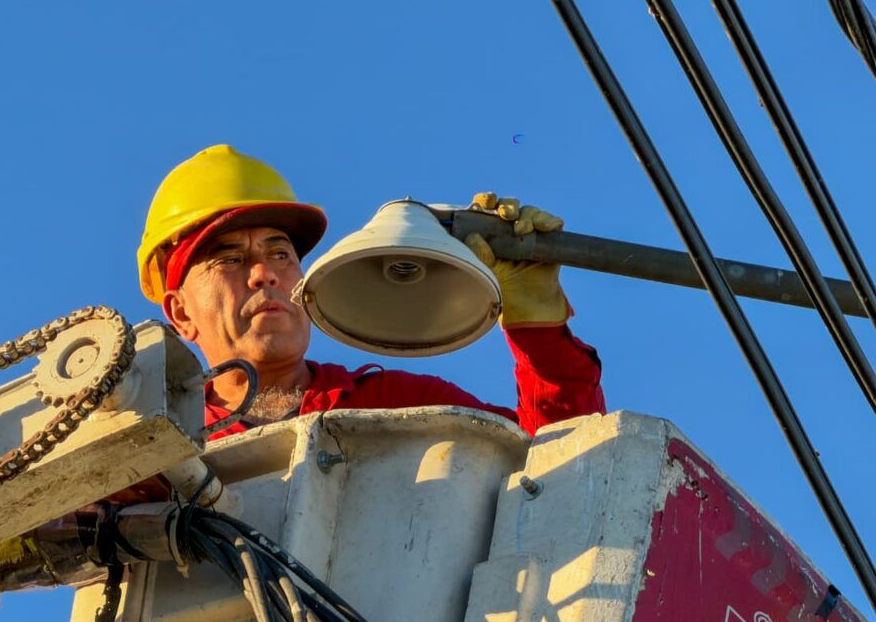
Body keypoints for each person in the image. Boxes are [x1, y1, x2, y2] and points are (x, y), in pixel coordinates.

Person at [136, 144, 605, 440]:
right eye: (230, 260)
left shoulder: (397, 405)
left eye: (280, 253)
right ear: (181, 314)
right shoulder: (158, 448)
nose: (265, 274)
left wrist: (537, 326)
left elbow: (559, 470)